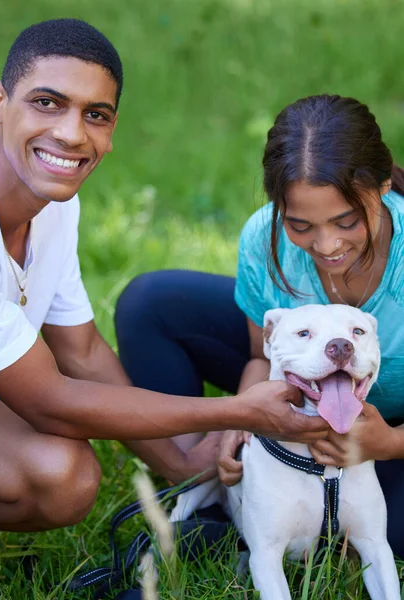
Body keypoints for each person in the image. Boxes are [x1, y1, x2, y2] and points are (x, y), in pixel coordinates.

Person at [0, 19, 327, 599]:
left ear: (112, 127)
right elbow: (52, 403)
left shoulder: (49, 196)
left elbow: (82, 351)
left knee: (65, 477)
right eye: (47, 103)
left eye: (94, 114)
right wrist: (242, 412)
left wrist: (178, 465)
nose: (72, 134)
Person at [116, 94, 404, 558]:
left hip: (388, 427)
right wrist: (241, 411)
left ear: (385, 184)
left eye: (347, 220)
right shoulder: (263, 237)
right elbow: (258, 355)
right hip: (301, 394)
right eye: (300, 225)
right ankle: (209, 491)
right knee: (150, 304)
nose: (326, 244)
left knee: (395, 535)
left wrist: (388, 443)